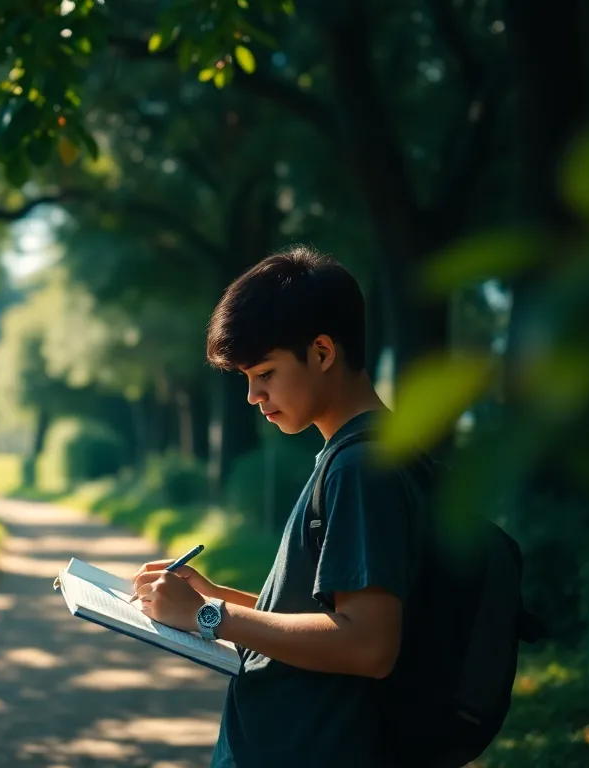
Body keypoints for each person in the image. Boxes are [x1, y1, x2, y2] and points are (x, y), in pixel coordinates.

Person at [130, 245, 424, 767]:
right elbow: (327, 616)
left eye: (264, 372)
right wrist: (222, 598)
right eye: (246, 378)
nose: (252, 396)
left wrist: (208, 616)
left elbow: (369, 644)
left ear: (323, 352)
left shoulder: (361, 467)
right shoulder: (360, 455)